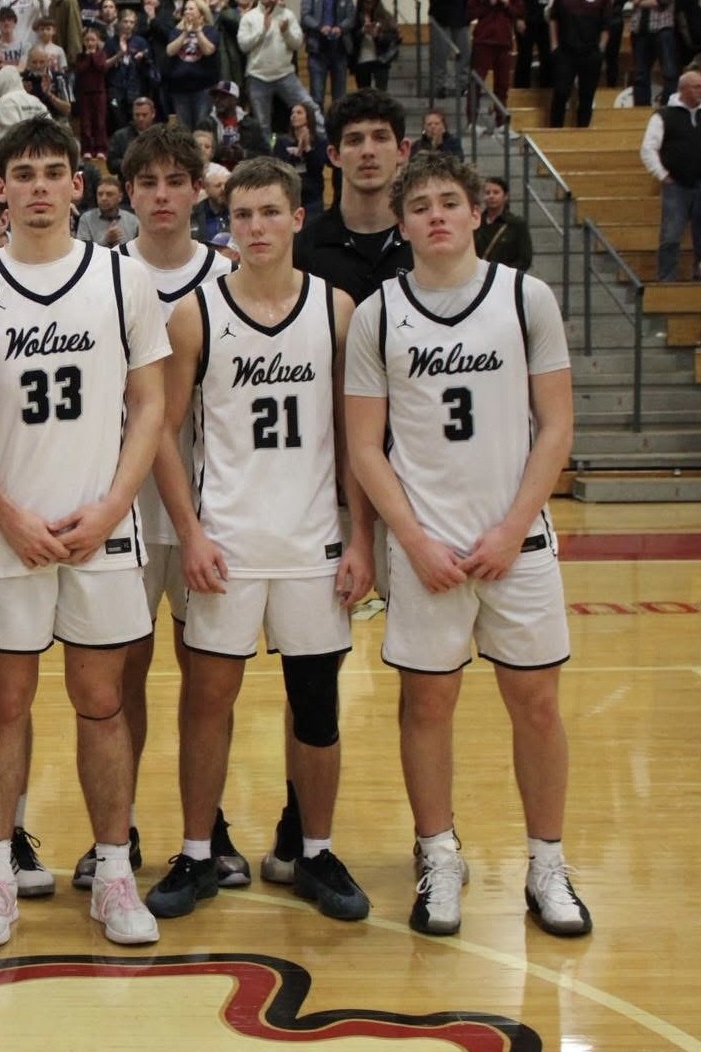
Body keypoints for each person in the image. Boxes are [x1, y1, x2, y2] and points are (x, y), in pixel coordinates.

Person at [0, 117, 167, 951]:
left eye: (52, 171)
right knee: (5, 703)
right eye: (21, 172)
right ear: (0, 189)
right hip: (3, 533)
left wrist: (110, 508)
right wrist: (6, 512)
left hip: (102, 528)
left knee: (103, 704)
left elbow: (151, 408)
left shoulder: (122, 278)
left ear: (78, 185)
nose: (36, 185)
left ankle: (113, 871)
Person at [343, 149, 589, 940]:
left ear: (478, 211)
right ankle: (438, 853)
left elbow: (556, 426)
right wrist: (409, 541)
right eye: (421, 208)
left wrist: (515, 526)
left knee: (538, 705)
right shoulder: (380, 312)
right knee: (428, 704)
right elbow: (365, 447)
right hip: (428, 552)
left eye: (450, 202)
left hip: (518, 540)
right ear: (402, 222)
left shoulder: (526, 298)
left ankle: (547, 863)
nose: (437, 216)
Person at [143, 156, 374, 925]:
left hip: (314, 544)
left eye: (271, 213)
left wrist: (360, 539)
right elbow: (164, 437)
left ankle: (313, 850)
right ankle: (199, 851)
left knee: (317, 707)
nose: (256, 228)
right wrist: (191, 533)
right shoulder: (195, 315)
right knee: (208, 700)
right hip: (228, 546)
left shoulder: (338, 310)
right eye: (242, 217)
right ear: (227, 227)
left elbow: (354, 439)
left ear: (298, 219)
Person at [112, 122, 246, 891]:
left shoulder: (230, 274)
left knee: (209, 682)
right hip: (127, 512)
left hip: (209, 512)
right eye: (146, 184)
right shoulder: (100, 275)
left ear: (199, 189)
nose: (161, 196)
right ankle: (118, 823)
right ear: (128, 195)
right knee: (122, 678)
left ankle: (209, 822)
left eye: (175, 182)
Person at [296, 89, 412, 306]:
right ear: (334, 156)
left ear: (402, 151)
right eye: (354, 140)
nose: (368, 151)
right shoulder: (302, 249)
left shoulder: (426, 242)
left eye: (380, 137)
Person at [644, 72, 701, 280]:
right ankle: (666, 281)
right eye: (696, 87)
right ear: (683, 89)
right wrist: (662, 175)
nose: (700, 91)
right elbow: (648, 149)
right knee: (671, 236)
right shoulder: (664, 115)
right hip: (676, 184)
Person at [238, 0, 317, 134]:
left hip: (285, 75)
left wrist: (286, 32)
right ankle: (267, 153)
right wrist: (262, 30)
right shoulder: (249, 17)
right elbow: (243, 45)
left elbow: (297, 44)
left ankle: (325, 143)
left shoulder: (288, 15)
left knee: (310, 108)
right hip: (258, 77)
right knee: (262, 124)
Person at [548, 0, 612, 128]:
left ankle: (582, 133)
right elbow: (553, 18)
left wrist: (600, 50)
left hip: (591, 54)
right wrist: (554, 45)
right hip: (566, 53)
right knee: (560, 93)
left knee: (587, 98)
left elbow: (606, 26)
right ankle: (554, 133)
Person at [165, 0, 222, 130]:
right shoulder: (176, 31)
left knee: (201, 126)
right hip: (179, 88)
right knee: (184, 129)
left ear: (201, 14)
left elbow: (208, 50)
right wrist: (185, 32)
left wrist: (197, 31)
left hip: (203, 88)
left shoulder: (210, 31)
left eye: (191, 9)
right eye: (185, 9)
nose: (187, 12)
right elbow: (170, 51)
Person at [469, 0, 524, 128]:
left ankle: (501, 124)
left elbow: (519, 11)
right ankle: (472, 122)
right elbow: (470, 13)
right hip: (483, 41)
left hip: (504, 42)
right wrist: (489, 3)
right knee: (476, 82)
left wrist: (507, 4)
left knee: (502, 85)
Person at [275, 102, 328, 219]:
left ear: (308, 117)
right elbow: (279, 167)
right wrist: (298, 151)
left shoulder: (319, 141)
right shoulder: (282, 141)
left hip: (312, 198)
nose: (294, 115)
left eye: (299, 113)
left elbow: (318, 165)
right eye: (292, 113)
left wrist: (307, 147)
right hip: (289, 195)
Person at [300, 0, 354, 111]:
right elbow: (305, 17)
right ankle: (318, 126)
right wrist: (319, 27)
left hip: (339, 50)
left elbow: (351, 17)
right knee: (317, 96)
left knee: (340, 97)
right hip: (317, 50)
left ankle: (337, 125)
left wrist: (341, 28)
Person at [475, 175, 533, 270]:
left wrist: (505, 276)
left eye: (496, 192)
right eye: (487, 193)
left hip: (505, 279)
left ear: (505, 196)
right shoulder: (476, 222)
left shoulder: (516, 224)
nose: (491, 196)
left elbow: (524, 259)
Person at [630, 0, 677, 108]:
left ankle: (667, 109)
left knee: (669, 73)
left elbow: (663, 2)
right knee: (640, 75)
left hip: (663, 29)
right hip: (639, 30)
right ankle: (641, 111)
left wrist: (639, 2)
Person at [76, 173, 141, 245]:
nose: (103, 198)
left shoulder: (133, 221)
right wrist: (106, 240)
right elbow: (82, 251)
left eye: (109, 194)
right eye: (100, 194)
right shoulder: (86, 219)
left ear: (120, 197)